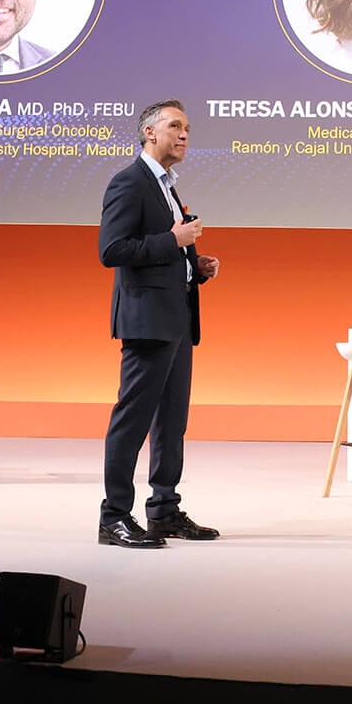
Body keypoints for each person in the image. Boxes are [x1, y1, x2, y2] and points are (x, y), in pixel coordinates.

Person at [96, 99, 222, 548]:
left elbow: (164, 248)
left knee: (171, 422)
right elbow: (112, 250)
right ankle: (113, 517)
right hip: (147, 321)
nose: (184, 134)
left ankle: (164, 511)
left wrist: (193, 265)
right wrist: (173, 240)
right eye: (175, 126)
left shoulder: (167, 186)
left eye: (187, 128)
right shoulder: (129, 182)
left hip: (177, 319)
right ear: (150, 133)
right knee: (132, 421)